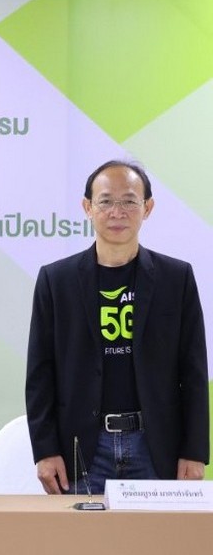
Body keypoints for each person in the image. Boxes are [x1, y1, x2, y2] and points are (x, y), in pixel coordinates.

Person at [26, 160, 209, 495]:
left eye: (129, 201)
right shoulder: (56, 280)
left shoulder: (176, 278)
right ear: (87, 207)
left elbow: (193, 370)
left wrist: (195, 451)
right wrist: (45, 450)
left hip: (156, 448)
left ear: (147, 208)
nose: (117, 212)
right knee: (80, 532)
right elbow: (40, 374)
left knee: (158, 532)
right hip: (82, 448)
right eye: (106, 201)